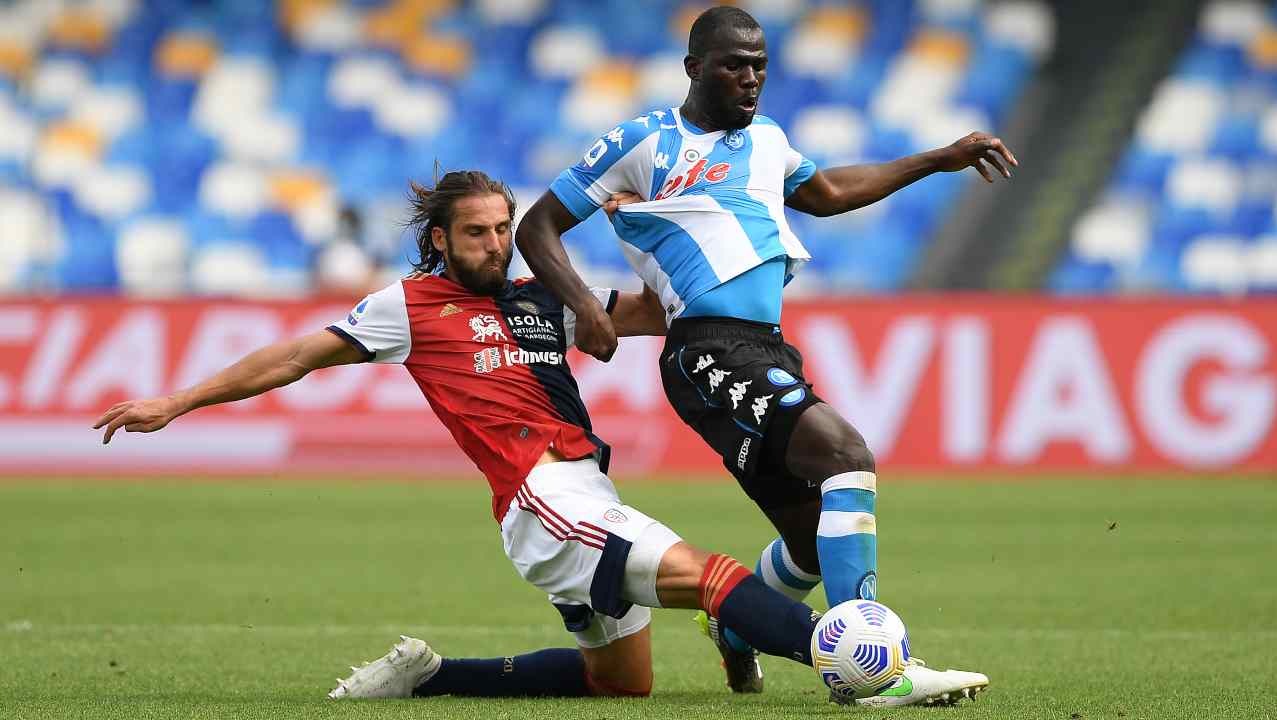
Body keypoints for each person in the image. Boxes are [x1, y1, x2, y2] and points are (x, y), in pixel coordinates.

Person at [93, 170, 829, 701]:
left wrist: (677, 240)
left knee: (622, 683)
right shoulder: (410, 306)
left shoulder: (546, 300)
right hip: (537, 496)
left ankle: (433, 677)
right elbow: (292, 357)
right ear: (441, 239)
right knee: (707, 575)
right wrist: (177, 401)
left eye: (504, 230)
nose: (495, 245)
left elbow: (666, 312)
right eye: (477, 233)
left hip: (586, 485)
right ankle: (856, 659)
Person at [512, 6, 1014, 706]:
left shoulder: (770, 140)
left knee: (811, 544)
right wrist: (587, 305)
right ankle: (878, 669)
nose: (751, 79)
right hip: (707, 349)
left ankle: (737, 630)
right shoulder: (646, 140)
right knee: (845, 455)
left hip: (765, 348)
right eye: (733, 65)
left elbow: (830, 193)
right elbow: (538, 226)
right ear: (693, 67)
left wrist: (936, 159)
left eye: (760, 66)